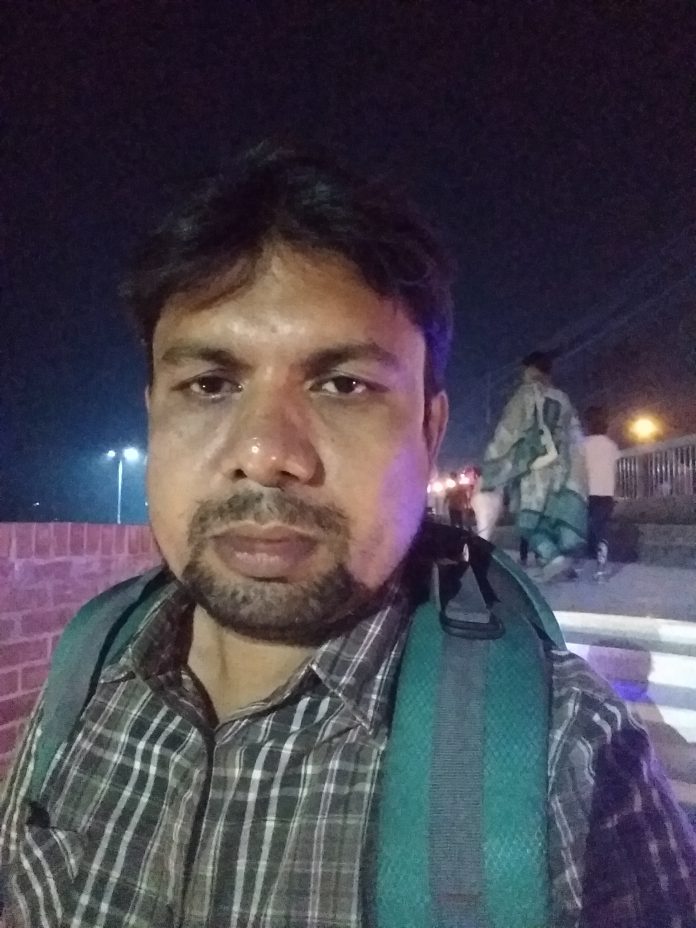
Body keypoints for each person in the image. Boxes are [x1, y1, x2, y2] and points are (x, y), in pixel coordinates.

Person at [1, 143, 695, 927]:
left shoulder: (571, 763)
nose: (266, 453)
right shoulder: (89, 666)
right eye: (210, 384)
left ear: (429, 432)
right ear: (153, 415)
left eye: (343, 384)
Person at [475, 351, 588, 582]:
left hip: (535, 470)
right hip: (562, 469)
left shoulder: (525, 394)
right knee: (551, 518)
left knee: (528, 522)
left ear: (531, 369)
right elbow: (576, 436)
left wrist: (492, 462)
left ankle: (553, 557)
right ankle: (556, 563)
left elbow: (508, 431)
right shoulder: (563, 398)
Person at [583, 405, 620, 579]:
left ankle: (581, 563)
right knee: (602, 527)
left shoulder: (583, 445)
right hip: (606, 492)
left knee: (585, 527)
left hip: (587, 492)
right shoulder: (611, 446)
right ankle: (601, 563)